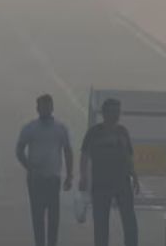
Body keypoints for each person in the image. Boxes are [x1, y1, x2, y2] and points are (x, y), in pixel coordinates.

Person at [80, 98, 140, 246]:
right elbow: (85, 155)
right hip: (101, 184)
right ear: (104, 113)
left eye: (117, 112)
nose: (116, 115)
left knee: (130, 224)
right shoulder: (94, 132)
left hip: (122, 183)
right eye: (113, 111)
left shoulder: (122, 132)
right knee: (101, 226)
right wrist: (83, 177)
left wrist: (135, 176)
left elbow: (128, 156)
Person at [16, 94, 74, 246]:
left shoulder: (60, 128)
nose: (45, 109)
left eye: (48, 106)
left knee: (54, 217)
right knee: (38, 216)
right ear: (37, 108)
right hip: (36, 178)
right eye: (42, 106)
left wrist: (69, 175)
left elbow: (68, 151)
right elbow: (19, 150)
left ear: (52, 107)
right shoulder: (30, 128)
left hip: (53, 177)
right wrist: (28, 166)